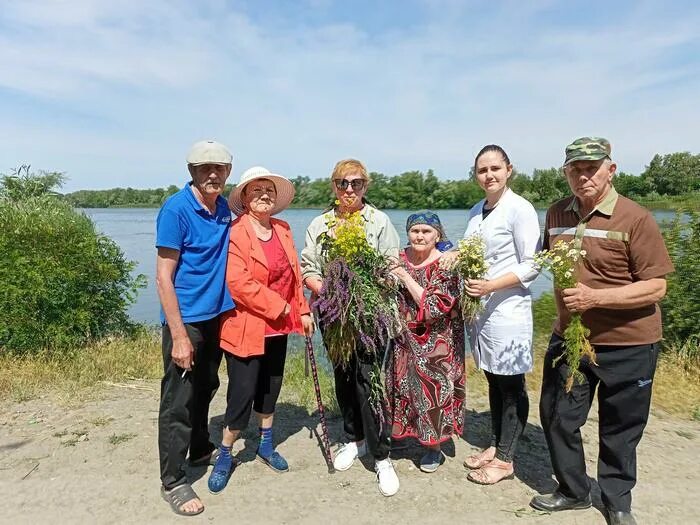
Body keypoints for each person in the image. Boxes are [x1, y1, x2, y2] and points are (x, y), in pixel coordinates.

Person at [529, 138, 674, 525]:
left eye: (592, 168)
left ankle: (617, 500)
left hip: (630, 343)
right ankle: (573, 491)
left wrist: (596, 298)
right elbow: (551, 262)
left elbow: (657, 287)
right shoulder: (557, 213)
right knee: (558, 416)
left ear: (611, 170)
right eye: (575, 169)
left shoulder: (635, 217)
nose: (583, 176)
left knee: (620, 428)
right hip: (571, 340)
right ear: (566, 173)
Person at [207, 166, 314, 494]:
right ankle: (225, 453)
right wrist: (279, 306)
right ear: (245, 198)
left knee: (270, 387)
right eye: (256, 191)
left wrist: (303, 309)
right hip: (246, 326)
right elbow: (237, 282)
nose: (264, 195)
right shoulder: (237, 231)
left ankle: (266, 445)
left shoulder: (283, 229)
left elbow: (294, 275)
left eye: (269, 190)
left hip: (279, 328)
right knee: (241, 393)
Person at [300, 158, 401, 497]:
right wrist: (332, 292)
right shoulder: (320, 224)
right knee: (343, 378)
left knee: (369, 380)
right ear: (334, 185)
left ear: (365, 186)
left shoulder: (379, 221)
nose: (349, 189)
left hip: (371, 316)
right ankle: (354, 438)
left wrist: (366, 290)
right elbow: (308, 269)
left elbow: (391, 265)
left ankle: (382, 455)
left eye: (356, 183)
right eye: (343, 182)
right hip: (333, 315)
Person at [443, 144, 541, 485]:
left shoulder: (520, 210)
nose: (489, 175)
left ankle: (505, 460)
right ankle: (497, 444)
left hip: (507, 307)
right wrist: (454, 254)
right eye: (482, 170)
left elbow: (532, 264)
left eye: (495, 168)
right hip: (480, 311)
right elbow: (473, 249)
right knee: (493, 379)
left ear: (509, 169)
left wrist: (491, 285)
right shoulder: (476, 210)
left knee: (511, 384)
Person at [156, 140, 235, 516]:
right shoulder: (176, 209)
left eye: (219, 167)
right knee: (178, 401)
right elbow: (162, 277)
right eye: (205, 168)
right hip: (186, 320)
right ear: (191, 172)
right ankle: (172, 480)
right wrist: (179, 335)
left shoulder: (223, 210)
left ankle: (202, 445)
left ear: (228, 173)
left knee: (207, 386)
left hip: (216, 316)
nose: (213, 174)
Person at [388, 211, 465, 474]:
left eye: (426, 231)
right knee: (402, 386)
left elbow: (434, 307)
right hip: (403, 337)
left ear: (438, 235)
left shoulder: (445, 265)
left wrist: (405, 277)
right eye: (415, 231)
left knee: (432, 390)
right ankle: (402, 435)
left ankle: (434, 447)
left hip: (436, 341)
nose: (419, 236)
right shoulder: (397, 257)